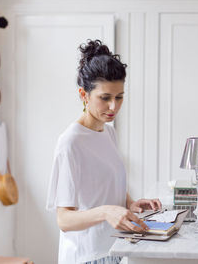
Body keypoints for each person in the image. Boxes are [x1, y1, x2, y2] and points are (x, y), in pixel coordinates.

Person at [46, 39, 162, 264]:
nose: (113, 107)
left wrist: (130, 204)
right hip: (87, 256)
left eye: (119, 97)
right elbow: (64, 219)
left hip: (114, 248)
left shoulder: (109, 133)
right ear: (84, 95)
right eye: (105, 98)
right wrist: (106, 212)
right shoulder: (70, 142)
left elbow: (103, 186)